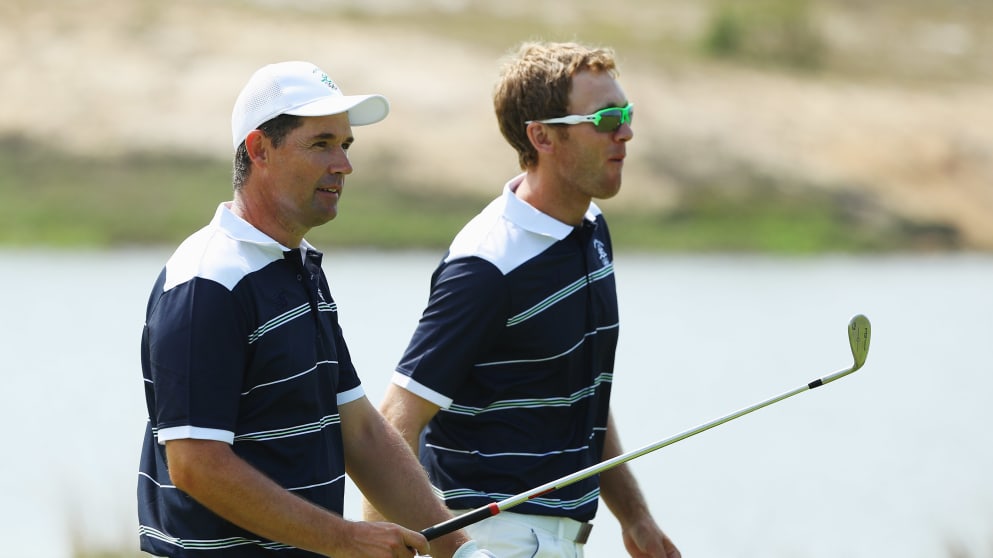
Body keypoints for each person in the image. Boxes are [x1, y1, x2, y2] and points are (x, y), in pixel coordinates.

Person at [137, 60, 494, 558]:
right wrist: (344, 539)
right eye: (321, 143)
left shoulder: (296, 267)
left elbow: (363, 434)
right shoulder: (208, 282)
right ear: (260, 148)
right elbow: (197, 464)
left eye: (345, 146)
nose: (343, 165)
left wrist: (462, 550)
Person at [364, 42, 681, 558]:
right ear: (541, 136)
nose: (624, 131)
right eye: (604, 118)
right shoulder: (486, 266)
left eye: (625, 113)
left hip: (564, 539)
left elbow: (580, 393)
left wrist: (636, 517)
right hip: (492, 539)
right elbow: (393, 424)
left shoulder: (591, 229)